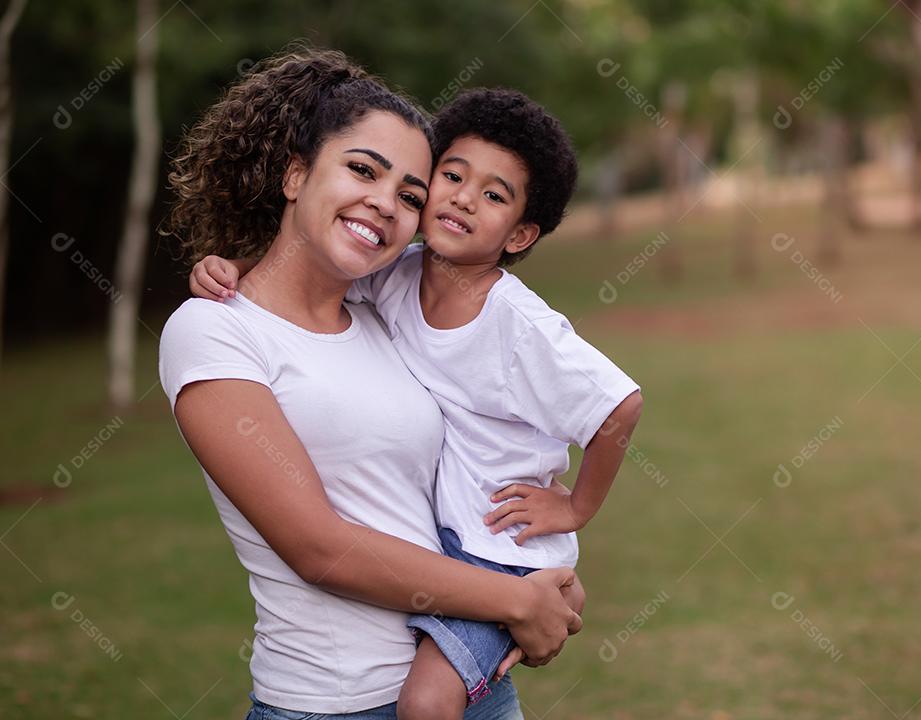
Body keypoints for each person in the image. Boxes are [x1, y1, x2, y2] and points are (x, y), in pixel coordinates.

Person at [188, 88, 642, 719]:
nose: (385, 203)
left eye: (407, 192)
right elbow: (321, 550)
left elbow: (616, 404)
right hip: (335, 697)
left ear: (520, 233)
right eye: (363, 170)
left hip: (476, 610)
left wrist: (571, 516)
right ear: (295, 173)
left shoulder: (425, 313)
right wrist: (232, 265)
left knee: (429, 702)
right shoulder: (234, 325)